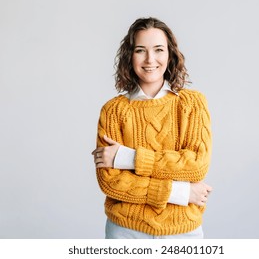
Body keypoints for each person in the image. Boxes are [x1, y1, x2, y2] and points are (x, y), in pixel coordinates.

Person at [91, 17, 212, 239]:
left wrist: (127, 157)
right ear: (130, 56)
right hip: (126, 232)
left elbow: (196, 165)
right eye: (140, 50)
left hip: (183, 232)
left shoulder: (192, 104)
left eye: (158, 50)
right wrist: (182, 192)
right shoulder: (113, 111)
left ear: (170, 54)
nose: (150, 59)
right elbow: (111, 182)